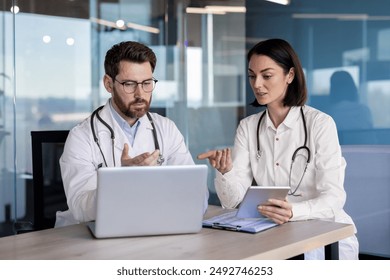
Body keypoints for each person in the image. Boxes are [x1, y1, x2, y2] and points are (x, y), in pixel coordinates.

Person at [198, 38, 359, 260]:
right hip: (273, 234)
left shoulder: (320, 124)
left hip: (323, 233)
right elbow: (233, 202)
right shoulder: (248, 127)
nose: (257, 84)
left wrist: (293, 211)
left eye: (267, 75)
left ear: (290, 76)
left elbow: (334, 197)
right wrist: (225, 172)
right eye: (252, 76)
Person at [56, 41, 206, 227]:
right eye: (129, 84)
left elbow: (196, 194)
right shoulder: (82, 136)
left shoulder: (166, 128)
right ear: (108, 84)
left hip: (155, 227)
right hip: (95, 239)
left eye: (147, 83)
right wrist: (123, 180)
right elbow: (80, 207)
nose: (140, 93)